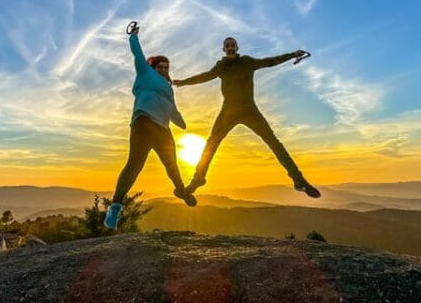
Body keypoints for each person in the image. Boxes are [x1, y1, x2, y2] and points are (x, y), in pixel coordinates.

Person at [173, 36, 321, 198]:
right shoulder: (221, 66)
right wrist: (183, 82)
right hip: (228, 111)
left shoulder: (247, 62)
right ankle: (197, 181)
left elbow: (269, 61)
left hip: (249, 110)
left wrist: (292, 55)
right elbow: (204, 77)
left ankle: (299, 180)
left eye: (232, 45)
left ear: (237, 48)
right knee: (211, 144)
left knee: (274, 143)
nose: (230, 47)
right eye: (227, 45)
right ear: (223, 49)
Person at [104, 24, 196, 231]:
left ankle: (181, 191)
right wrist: (134, 37)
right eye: (160, 67)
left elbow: (173, 111)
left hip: (163, 129)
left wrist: (182, 124)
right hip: (143, 124)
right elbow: (137, 54)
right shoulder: (145, 74)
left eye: (167, 68)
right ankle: (115, 208)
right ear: (153, 67)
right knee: (134, 166)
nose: (164, 70)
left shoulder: (168, 89)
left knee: (172, 165)